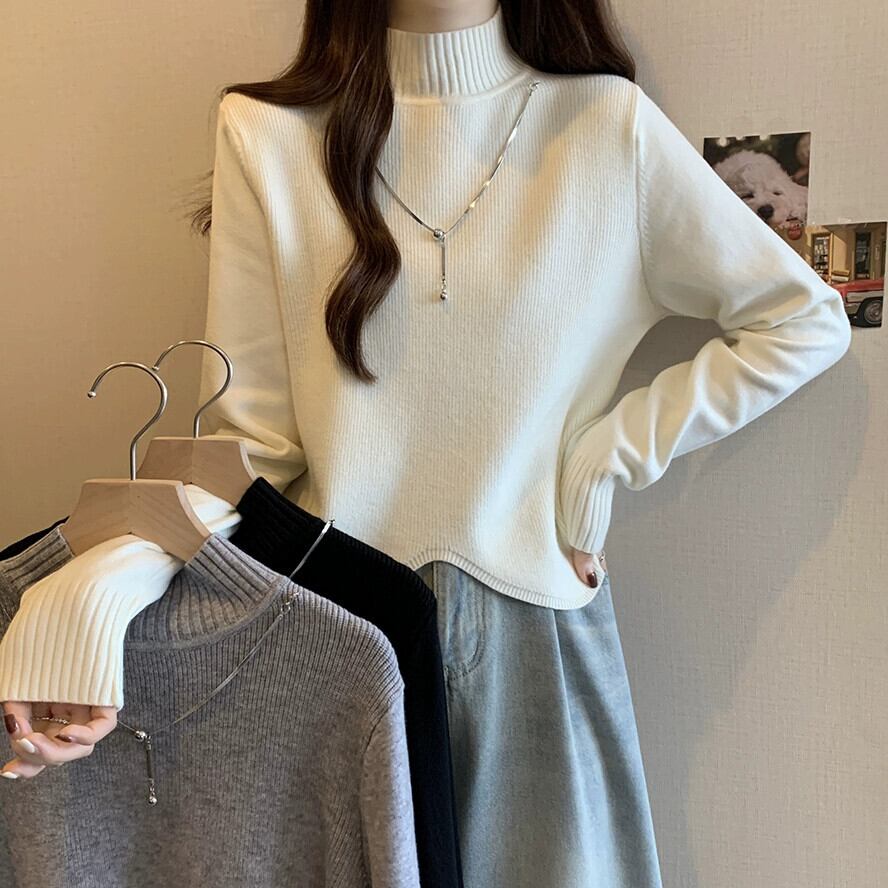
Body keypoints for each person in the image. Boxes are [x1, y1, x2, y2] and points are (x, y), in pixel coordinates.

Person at [2, 2, 852, 886]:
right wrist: (89, 592)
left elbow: (801, 320)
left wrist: (607, 455)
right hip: (329, 637)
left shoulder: (603, 125)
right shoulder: (267, 135)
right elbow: (249, 448)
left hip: (535, 628)